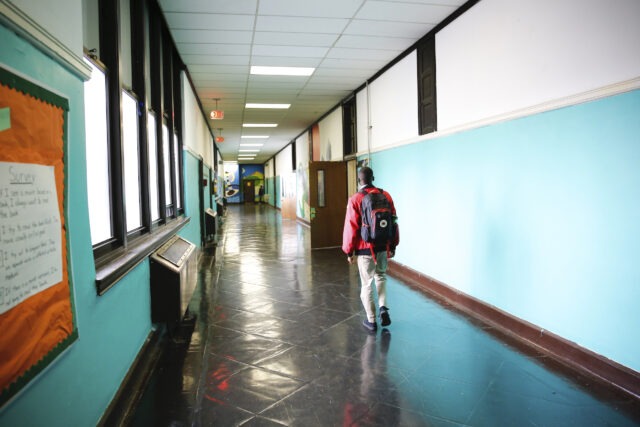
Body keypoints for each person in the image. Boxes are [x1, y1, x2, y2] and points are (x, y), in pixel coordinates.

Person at [342, 167, 399, 332]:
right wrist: (393, 244)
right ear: (373, 177)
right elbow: (394, 222)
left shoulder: (355, 199)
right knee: (381, 276)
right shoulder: (386, 195)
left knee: (366, 284)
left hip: (364, 249)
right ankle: (383, 307)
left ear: (359, 180)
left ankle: (371, 320)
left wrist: (348, 251)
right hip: (383, 246)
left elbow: (351, 227)